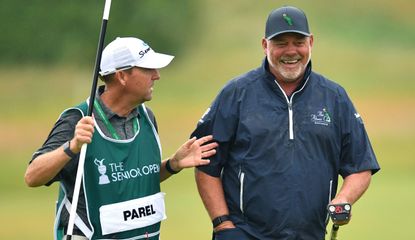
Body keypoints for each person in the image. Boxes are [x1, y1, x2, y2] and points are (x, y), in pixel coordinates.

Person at [191, 6, 380, 240]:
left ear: (311, 42)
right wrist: (222, 223)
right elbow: (205, 164)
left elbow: (360, 165)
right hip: (245, 234)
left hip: (310, 234)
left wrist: (344, 200)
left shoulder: (334, 97)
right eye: (280, 43)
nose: (291, 51)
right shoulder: (236, 93)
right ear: (264, 45)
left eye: (298, 42)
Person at [24, 37, 218, 240]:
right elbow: (32, 176)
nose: (157, 76)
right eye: (148, 69)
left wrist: (173, 164)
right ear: (122, 76)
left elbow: (129, 180)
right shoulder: (78, 119)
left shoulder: (146, 117)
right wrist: (72, 146)